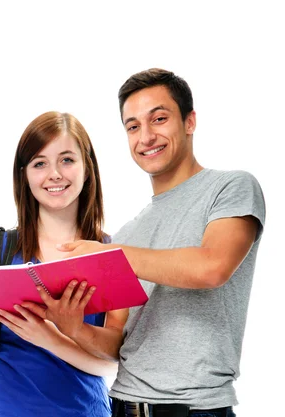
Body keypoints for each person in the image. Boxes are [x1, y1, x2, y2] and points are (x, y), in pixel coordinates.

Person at [32, 69, 266, 417]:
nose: (146, 136)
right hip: (123, 405)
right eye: (133, 126)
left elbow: (212, 268)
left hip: (196, 408)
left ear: (189, 121)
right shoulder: (128, 233)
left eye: (159, 119)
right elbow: (116, 342)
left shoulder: (231, 188)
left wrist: (110, 255)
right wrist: (72, 327)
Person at [0, 111, 127, 417]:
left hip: (84, 410)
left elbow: (113, 362)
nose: (54, 174)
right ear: (25, 175)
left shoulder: (110, 254)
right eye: (39, 163)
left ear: (87, 168)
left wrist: (49, 337)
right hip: (1, 408)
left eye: (67, 160)